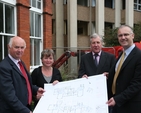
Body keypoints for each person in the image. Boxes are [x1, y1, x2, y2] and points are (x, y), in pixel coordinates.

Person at [0, 36, 45, 113]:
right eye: (16, 47)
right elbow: (9, 96)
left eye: (22, 47)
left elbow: (24, 83)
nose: (20, 50)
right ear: (9, 47)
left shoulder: (21, 63)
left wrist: (36, 89)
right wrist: (26, 111)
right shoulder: (4, 67)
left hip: (25, 107)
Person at [107, 25, 141, 113]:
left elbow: (137, 84)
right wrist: (109, 75)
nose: (123, 37)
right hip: (117, 105)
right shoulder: (122, 55)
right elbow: (121, 75)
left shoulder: (139, 56)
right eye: (120, 35)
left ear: (132, 36)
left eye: (126, 34)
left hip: (130, 106)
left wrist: (118, 99)